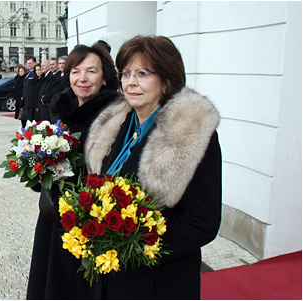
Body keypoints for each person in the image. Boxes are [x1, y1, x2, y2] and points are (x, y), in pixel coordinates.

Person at [83, 35, 222, 299]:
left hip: (159, 280)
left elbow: (203, 221)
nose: (130, 82)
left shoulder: (189, 136)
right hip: (113, 275)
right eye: (125, 73)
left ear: (166, 81)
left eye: (142, 73)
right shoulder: (118, 125)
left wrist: (135, 246)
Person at [26, 42, 120, 300]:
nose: (83, 78)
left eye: (92, 71)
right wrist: (38, 168)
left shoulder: (115, 116)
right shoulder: (60, 109)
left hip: (86, 221)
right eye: (76, 71)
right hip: (52, 219)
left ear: (104, 77)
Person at [22, 57, 37, 121]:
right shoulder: (28, 73)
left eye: (30, 63)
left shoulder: (35, 73)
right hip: (27, 99)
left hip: (32, 100)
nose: (28, 65)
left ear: (35, 63)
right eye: (27, 63)